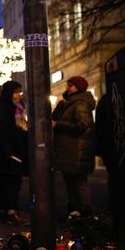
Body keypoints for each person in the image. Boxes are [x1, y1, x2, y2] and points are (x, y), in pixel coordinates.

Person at [51, 76, 96, 215]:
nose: (67, 88)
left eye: (70, 85)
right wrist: (61, 104)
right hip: (69, 151)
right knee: (70, 183)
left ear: (78, 88)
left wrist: (59, 125)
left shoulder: (80, 103)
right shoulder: (69, 103)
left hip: (77, 151)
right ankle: (75, 213)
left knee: (79, 183)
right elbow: (54, 117)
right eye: (67, 85)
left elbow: (83, 124)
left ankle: (85, 213)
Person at [0, 80, 28, 224]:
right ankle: (10, 210)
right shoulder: (0, 109)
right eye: (16, 92)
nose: (18, 95)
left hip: (15, 152)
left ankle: (6, 209)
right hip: (6, 153)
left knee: (10, 181)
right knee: (9, 181)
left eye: (19, 92)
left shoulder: (18, 108)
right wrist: (9, 152)